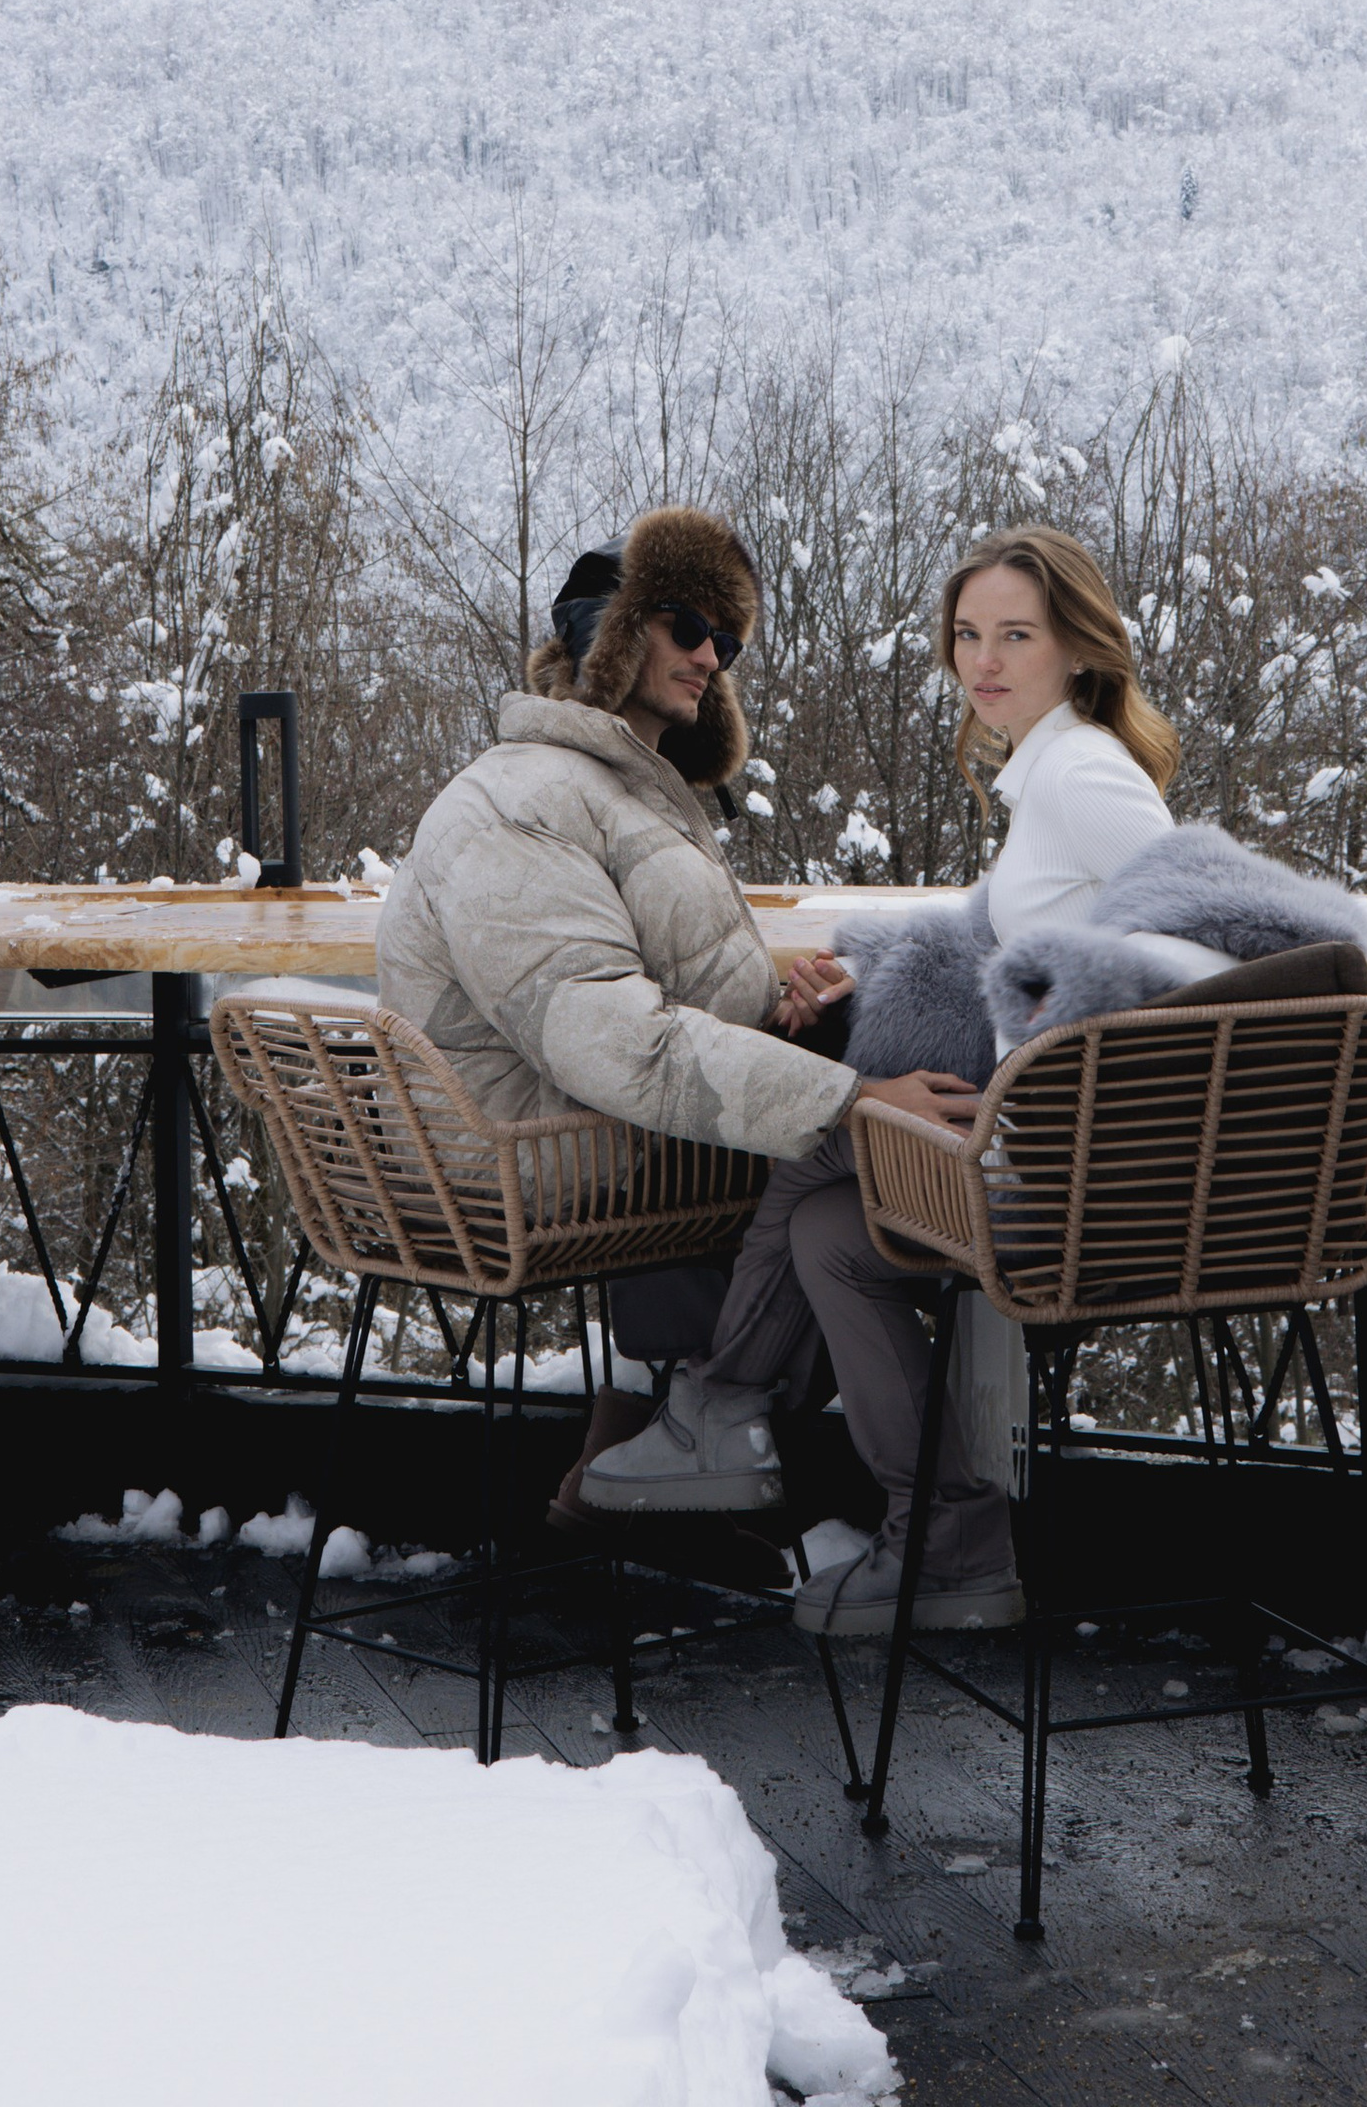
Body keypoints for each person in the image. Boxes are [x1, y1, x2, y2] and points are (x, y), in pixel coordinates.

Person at [584, 524, 1182, 1638]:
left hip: (1073, 1168)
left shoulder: (1084, 776)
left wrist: (1043, 1061)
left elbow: (1187, 947)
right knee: (828, 1229)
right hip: (1039, 1140)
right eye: (967, 635)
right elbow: (1013, 929)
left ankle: (716, 1406)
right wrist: (871, 962)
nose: (983, 661)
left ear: (1080, 650)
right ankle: (948, 1538)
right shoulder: (1051, 770)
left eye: (1016, 635)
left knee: (826, 1128)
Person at [372, 506, 977, 1509]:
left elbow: (645, 987)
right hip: (532, 1154)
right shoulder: (528, 800)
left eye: (727, 642)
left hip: (582, 1117)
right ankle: (751, 1444)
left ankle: (678, 1423)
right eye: (689, 629)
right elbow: (610, 1040)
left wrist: (782, 1003)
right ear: (613, 632)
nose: (710, 660)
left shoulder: (617, 789)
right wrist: (854, 1098)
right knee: (880, 1156)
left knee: (885, 1084)